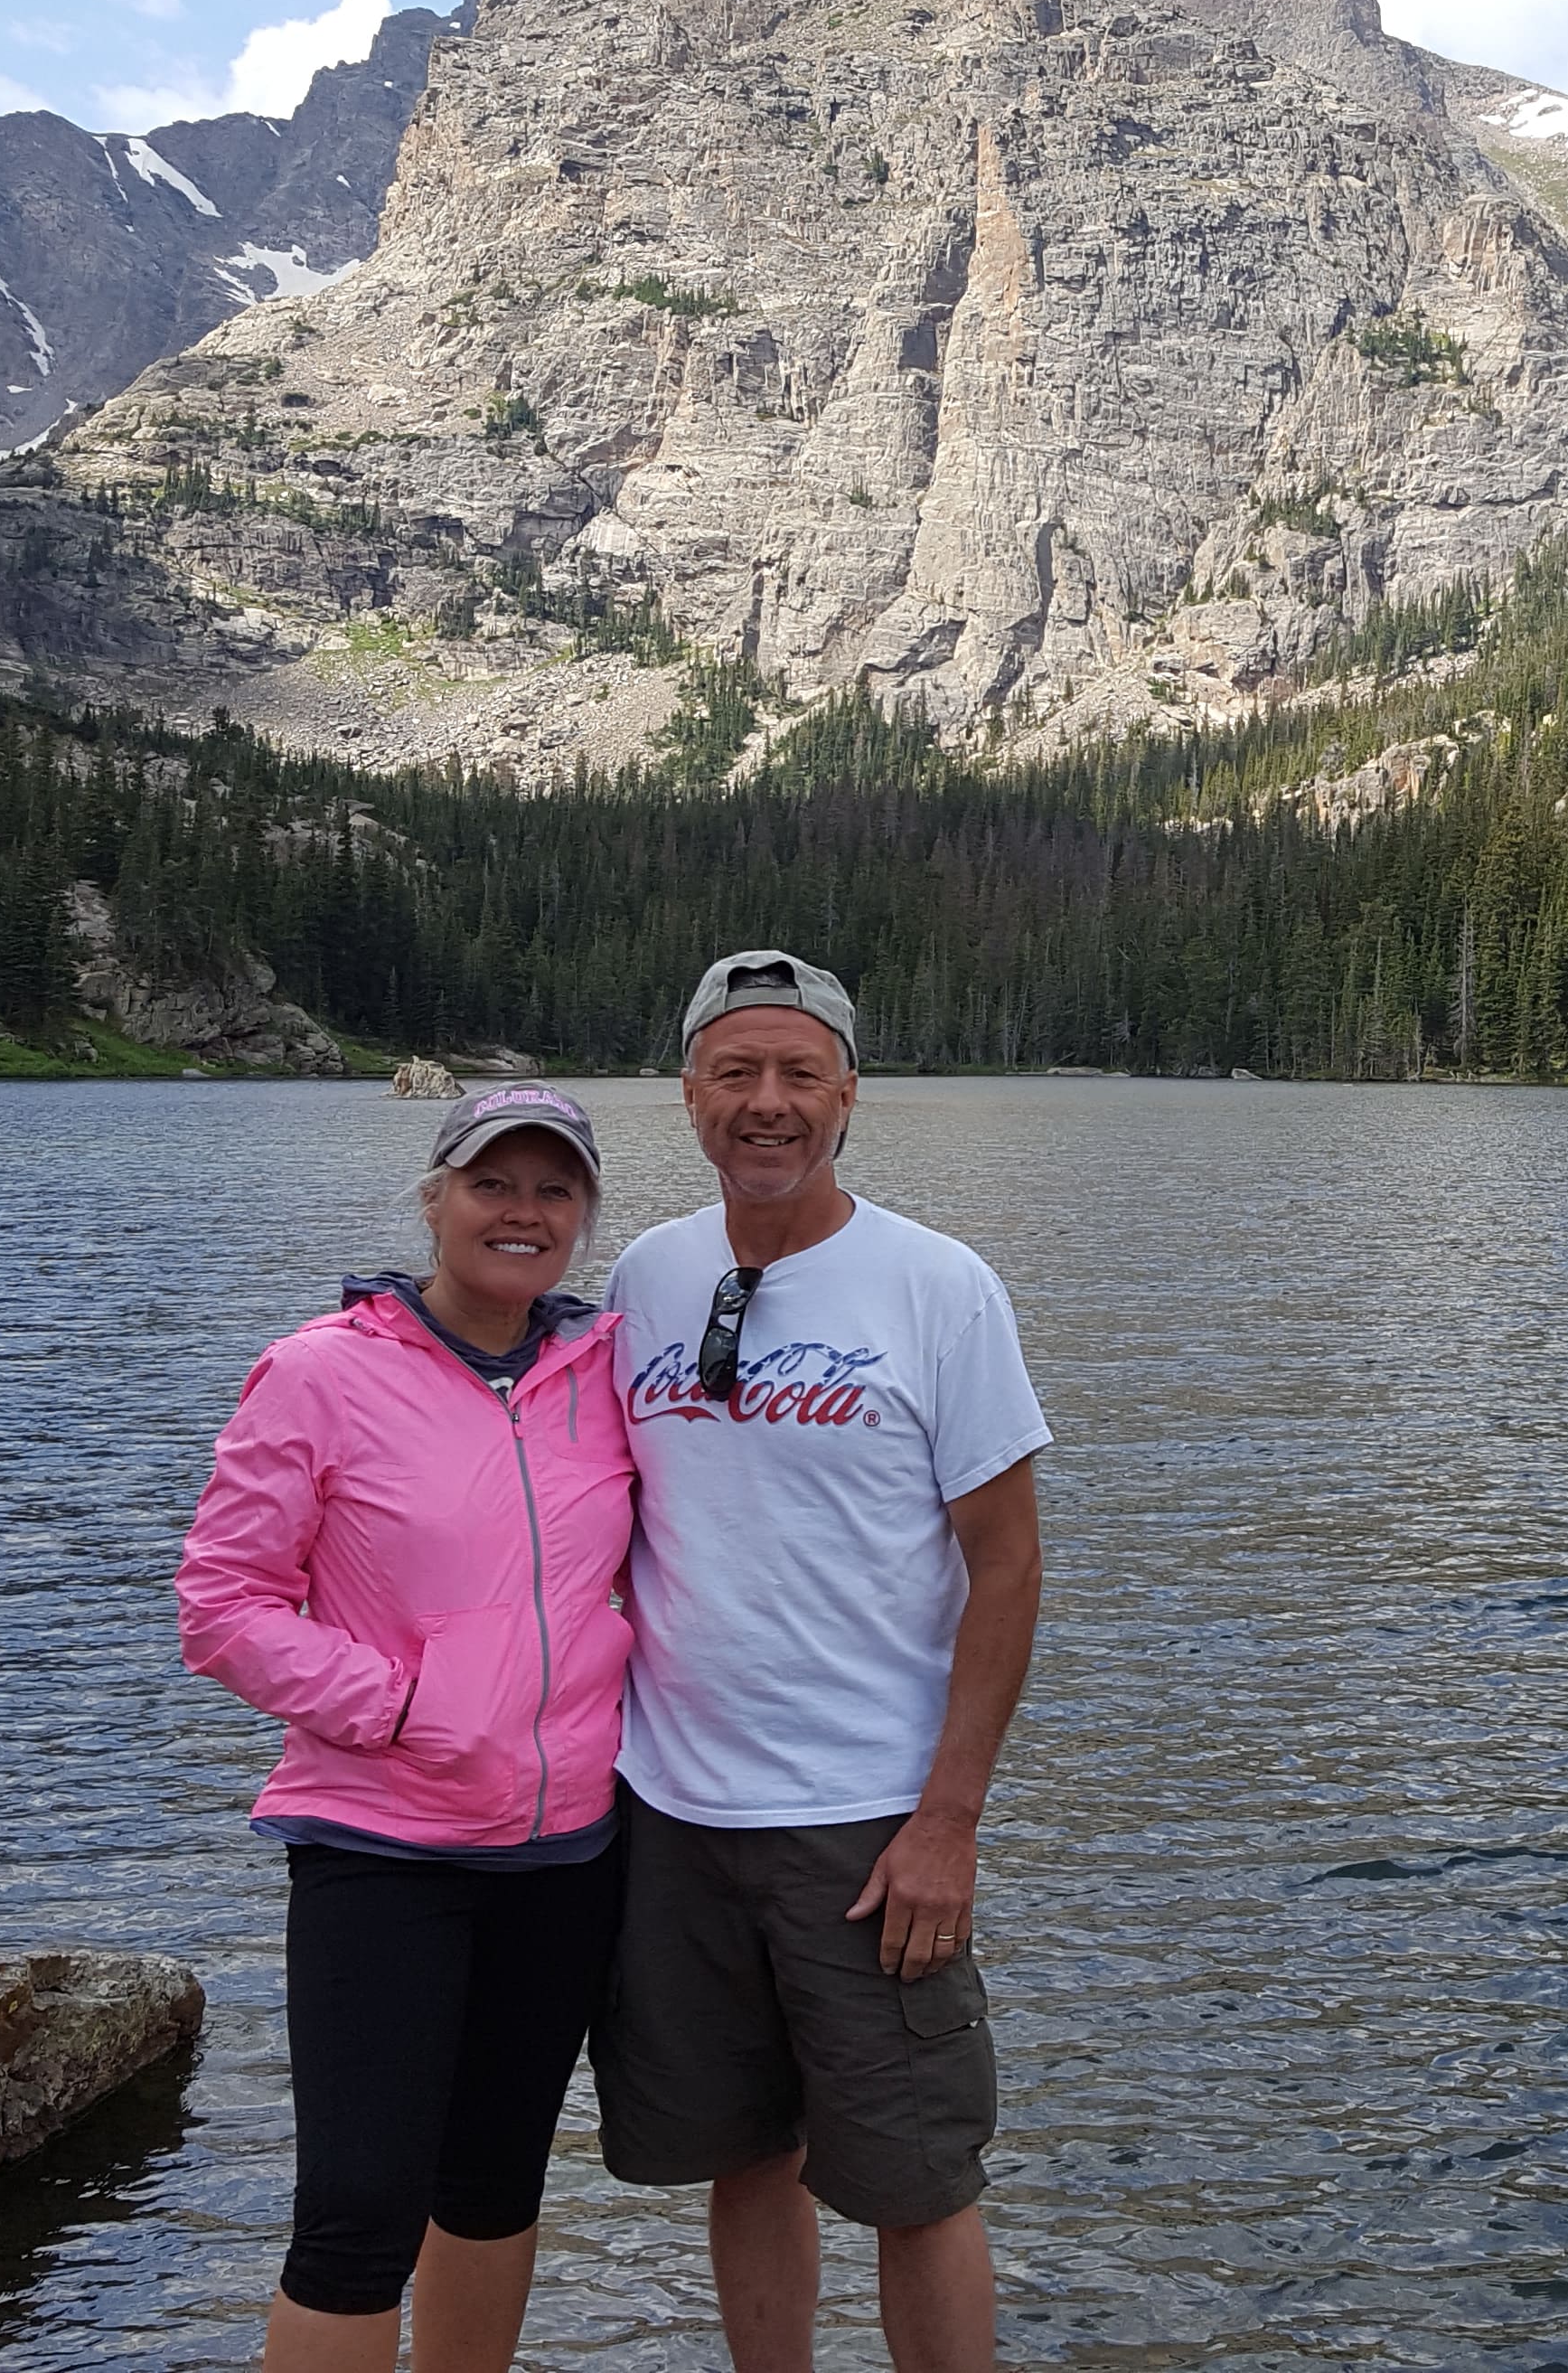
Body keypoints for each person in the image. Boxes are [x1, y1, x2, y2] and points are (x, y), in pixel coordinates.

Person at [596, 951, 1049, 2373]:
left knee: (917, 2185)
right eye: (738, 1073)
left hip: (866, 1826)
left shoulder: (937, 1287)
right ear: (689, 1095)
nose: (769, 1104)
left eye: (800, 1074)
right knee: (746, 2157)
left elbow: (1010, 1561)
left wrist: (948, 1824)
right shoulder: (645, 1276)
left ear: (849, 1093)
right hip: (669, 1817)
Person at [174, 1086, 639, 2373]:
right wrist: (396, 1707)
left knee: (494, 2186)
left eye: (556, 1190)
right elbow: (221, 1607)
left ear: (585, 1217)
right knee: (358, 2214)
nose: (524, 1212)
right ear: (434, 1198)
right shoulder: (321, 1372)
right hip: (381, 1850)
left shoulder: (604, 1370)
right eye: (495, 1183)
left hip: (565, 1857)